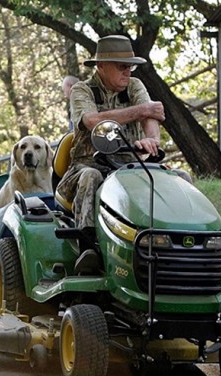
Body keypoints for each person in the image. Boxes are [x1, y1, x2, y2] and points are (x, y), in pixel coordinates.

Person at [57, 35, 165, 234]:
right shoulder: (82, 90)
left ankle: (180, 240)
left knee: (177, 177)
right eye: (121, 66)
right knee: (92, 176)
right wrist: (142, 110)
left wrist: (152, 139)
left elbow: (151, 116)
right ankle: (87, 245)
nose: (127, 72)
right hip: (86, 166)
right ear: (101, 65)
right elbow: (92, 121)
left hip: (131, 168)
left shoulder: (134, 86)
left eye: (130, 67)